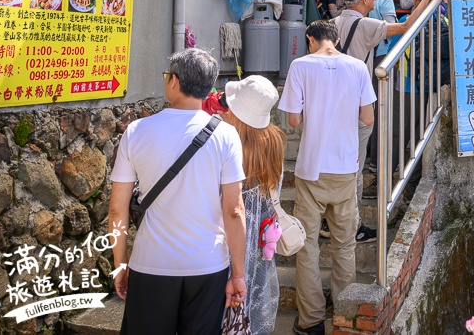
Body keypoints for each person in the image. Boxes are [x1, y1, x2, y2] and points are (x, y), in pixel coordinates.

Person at [108, 48, 246, 335]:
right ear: (208, 88)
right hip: (207, 265)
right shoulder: (226, 135)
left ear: (174, 81)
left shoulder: (136, 131)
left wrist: (120, 265)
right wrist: (238, 274)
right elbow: (234, 211)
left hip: (151, 264)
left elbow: (117, 210)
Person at [279, 20, 376, 335]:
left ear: (310, 39)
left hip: (311, 168)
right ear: (336, 39)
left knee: (307, 245)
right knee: (345, 244)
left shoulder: (301, 66)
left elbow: (294, 121)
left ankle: (310, 322)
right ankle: (345, 315)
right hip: (346, 168)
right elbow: (367, 117)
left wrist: (314, 114)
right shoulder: (357, 67)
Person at [334, 0, 446, 241]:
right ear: (364, 0)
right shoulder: (366, 24)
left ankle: (331, 221)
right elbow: (407, 26)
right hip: (355, 103)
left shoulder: (334, 22)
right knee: (355, 167)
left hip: (334, 100)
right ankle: (354, 224)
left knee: (337, 162)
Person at [217, 75, 285, 335]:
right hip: (260, 238)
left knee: (228, 292)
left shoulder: (225, 142)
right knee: (254, 293)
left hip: (230, 233)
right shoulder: (275, 142)